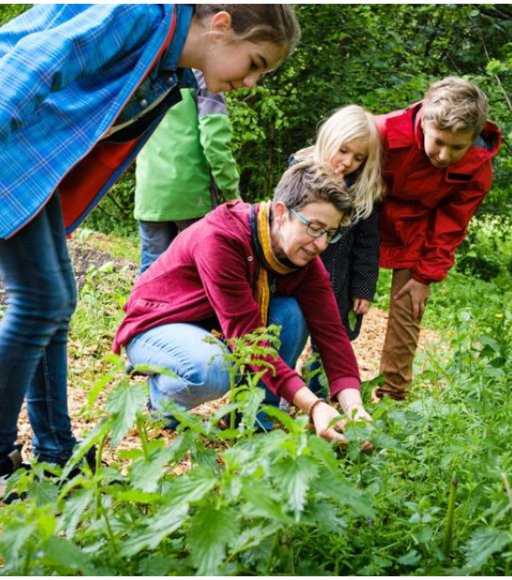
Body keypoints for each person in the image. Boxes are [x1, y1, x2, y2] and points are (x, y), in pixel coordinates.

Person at [0, 5, 300, 481]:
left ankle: (57, 452)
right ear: (221, 25)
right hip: (13, 148)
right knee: (41, 301)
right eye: (255, 63)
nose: (251, 83)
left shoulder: (170, 69)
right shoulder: (143, 14)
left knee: (56, 301)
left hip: (37, 168)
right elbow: (35, 59)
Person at [113, 160, 371, 443]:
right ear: (282, 213)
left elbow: (332, 334)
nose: (320, 244)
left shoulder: (303, 260)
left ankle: (255, 421)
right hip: (157, 324)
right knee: (211, 370)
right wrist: (315, 406)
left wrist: (355, 409)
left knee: (291, 314)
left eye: (329, 234)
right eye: (315, 228)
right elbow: (248, 341)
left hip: (214, 331)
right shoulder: (222, 238)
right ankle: (162, 400)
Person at [374, 77, 502, 401]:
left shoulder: (478, 167)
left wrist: (425, 276)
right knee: (339, 301)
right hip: (367, 219)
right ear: (424, 122)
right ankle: (325, 389)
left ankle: (392, 399)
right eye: (438, 142)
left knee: (409, 309)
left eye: (457, 147)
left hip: (418, 231)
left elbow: (452, 223)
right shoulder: (382, 132)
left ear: (473, 139)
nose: (444, 155)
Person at [134, 69, 241, 274]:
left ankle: (142, 307)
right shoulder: (206, 76)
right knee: (200, 272)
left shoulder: (148, 72)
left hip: (150, 191)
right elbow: (214, 142)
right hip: (193, 192)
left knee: (151, 273)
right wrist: (231, 194)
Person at [292, 105, 385, 341]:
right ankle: (281, 377)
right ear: (329, 139)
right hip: (294, 274)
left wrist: (363, 287)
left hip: (336, 279)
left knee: (330, 339)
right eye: (343, 150)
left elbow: (367, 245)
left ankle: (319, 379)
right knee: (288, 329)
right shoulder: (300, 171)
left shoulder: (363, 192)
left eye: (358, 157)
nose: (348, 161)